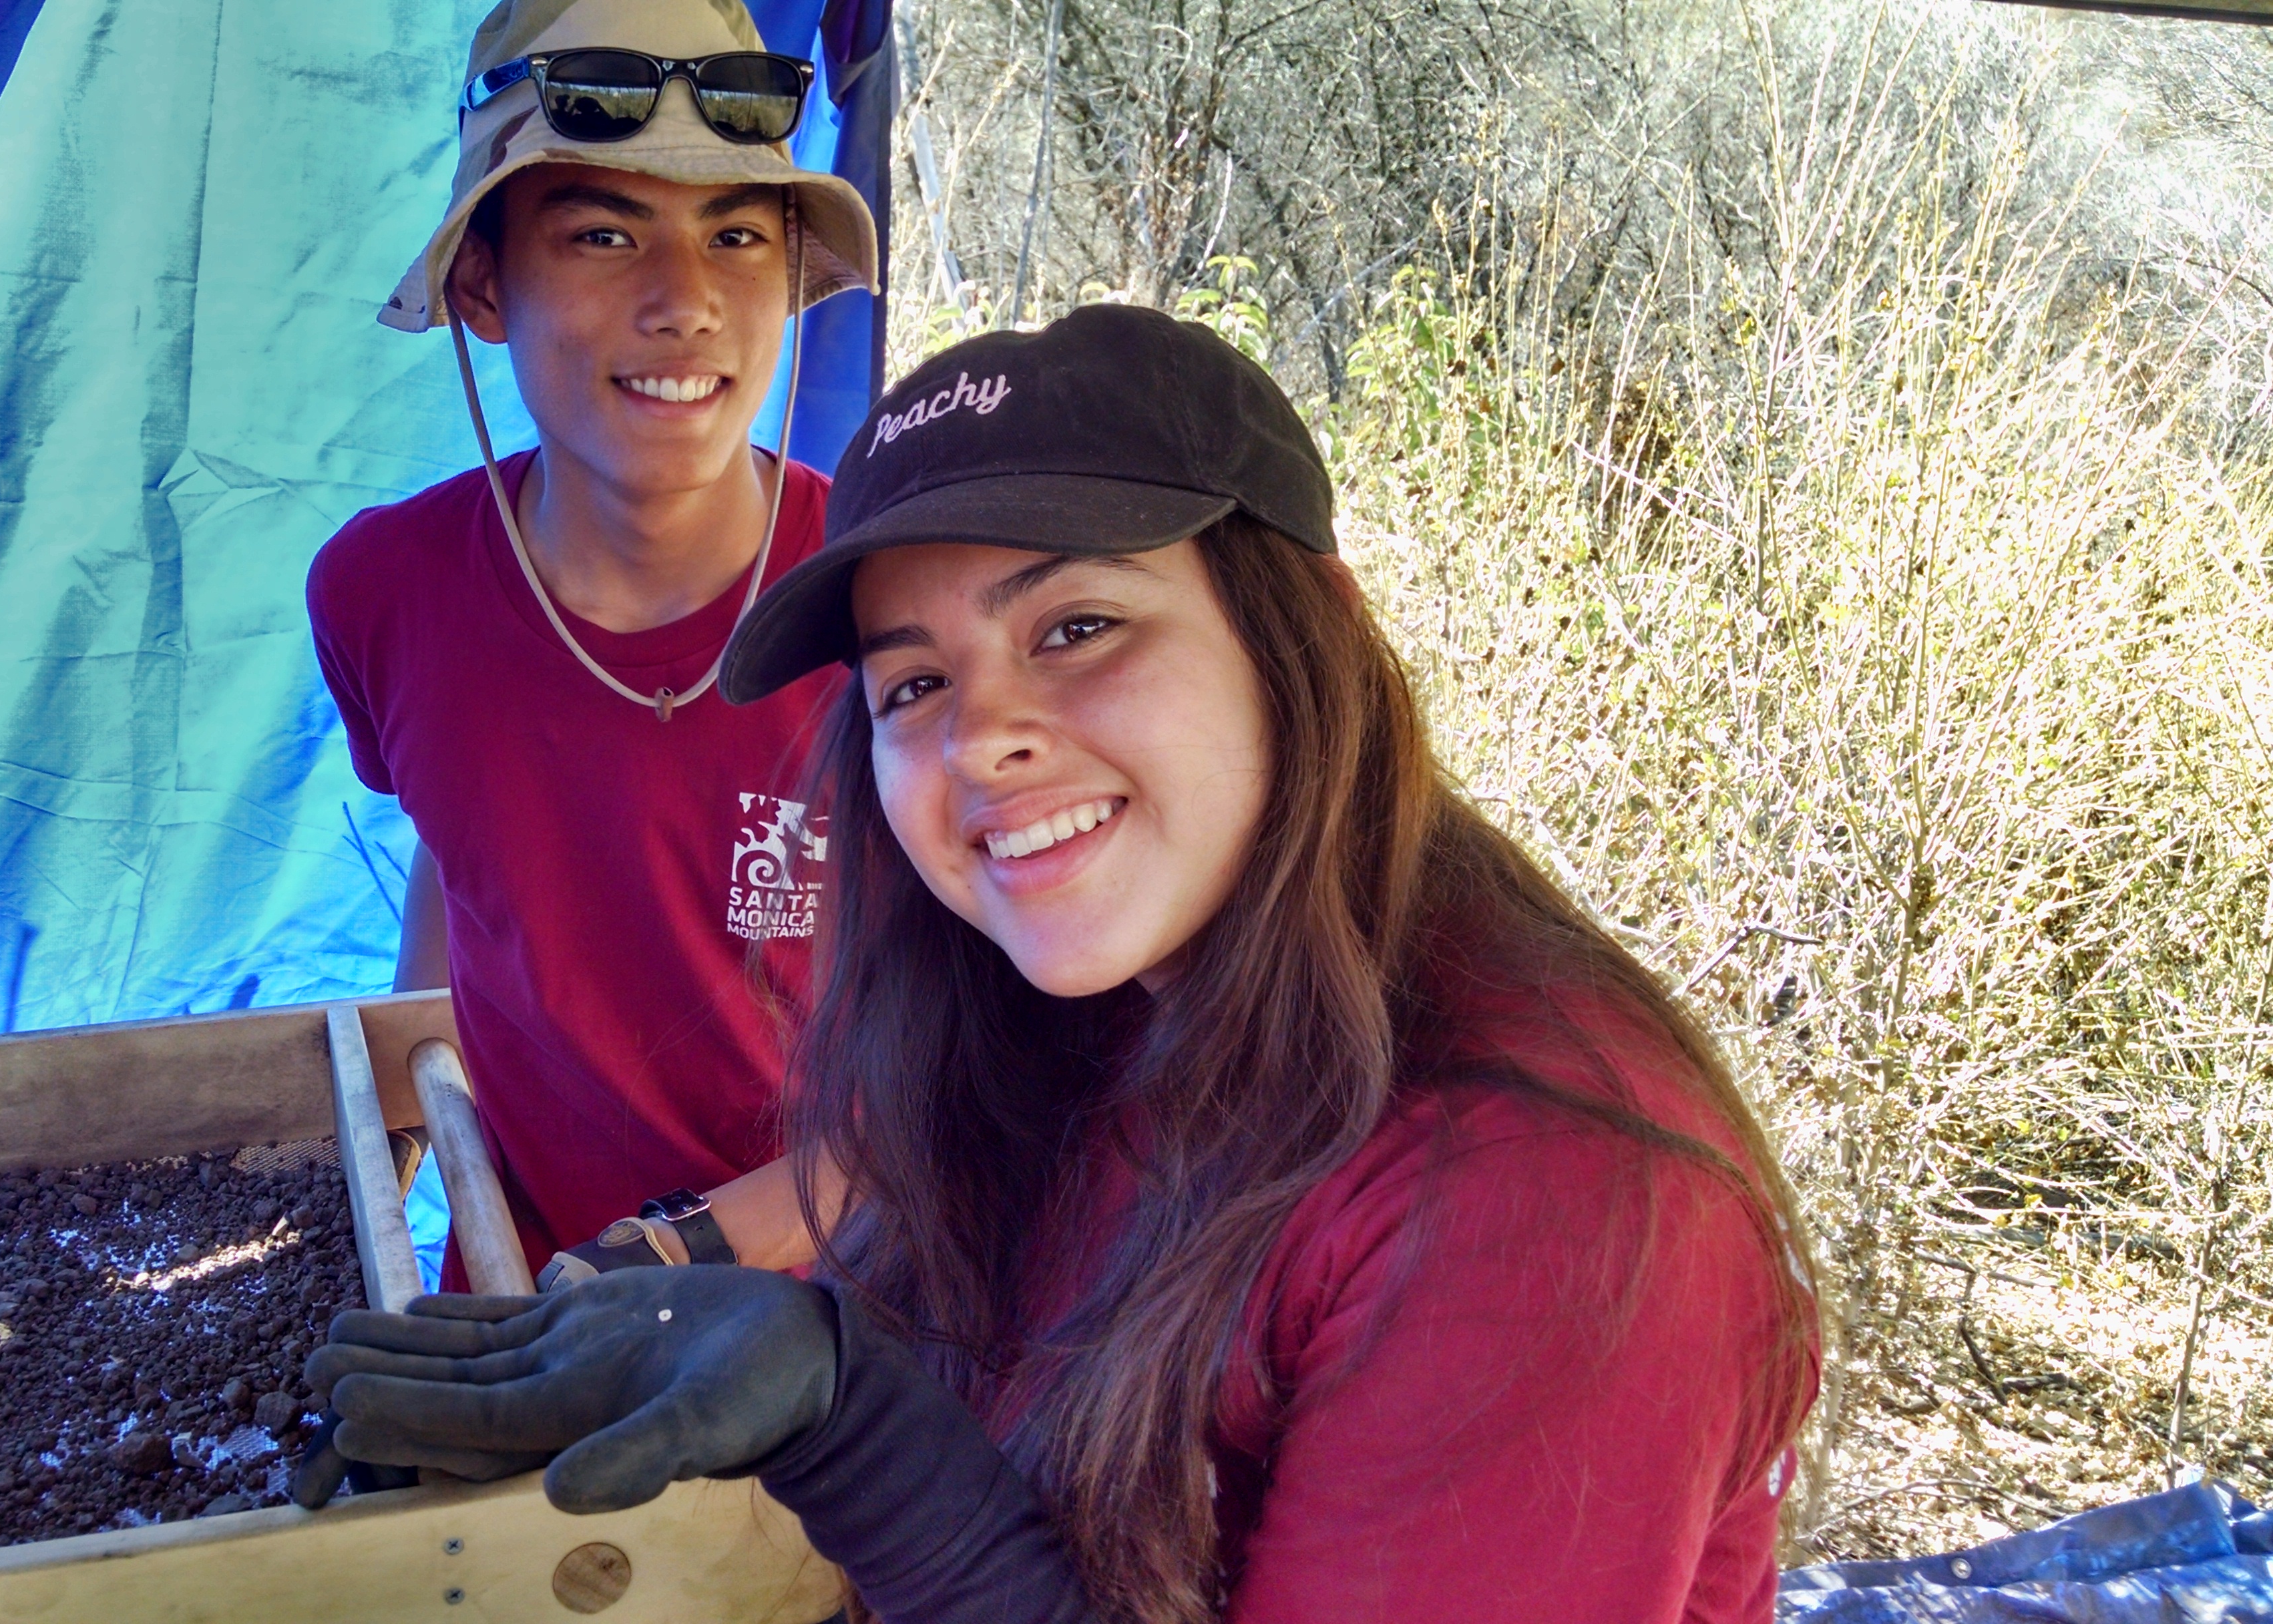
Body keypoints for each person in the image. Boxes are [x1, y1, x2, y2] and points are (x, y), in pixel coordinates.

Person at [303, 304, 1822, 1623]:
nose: (981, 736)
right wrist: (804, 1331)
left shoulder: (1539, 1203)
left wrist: (859, 1434)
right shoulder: (1093, 1010)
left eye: (1079, 623)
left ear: (1313, 631)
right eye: (915, 681)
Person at [306, 0, 880, 1291]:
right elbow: (463, 865)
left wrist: (674, 1259)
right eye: (604, 234)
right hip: (520, 1311)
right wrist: (380, 1208)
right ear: (482, 284)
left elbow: (1000, 1055)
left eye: (736, 235)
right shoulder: (384, 591)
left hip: (851, 1324)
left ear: (791, 279)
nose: (684, 304)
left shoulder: (897, 599)